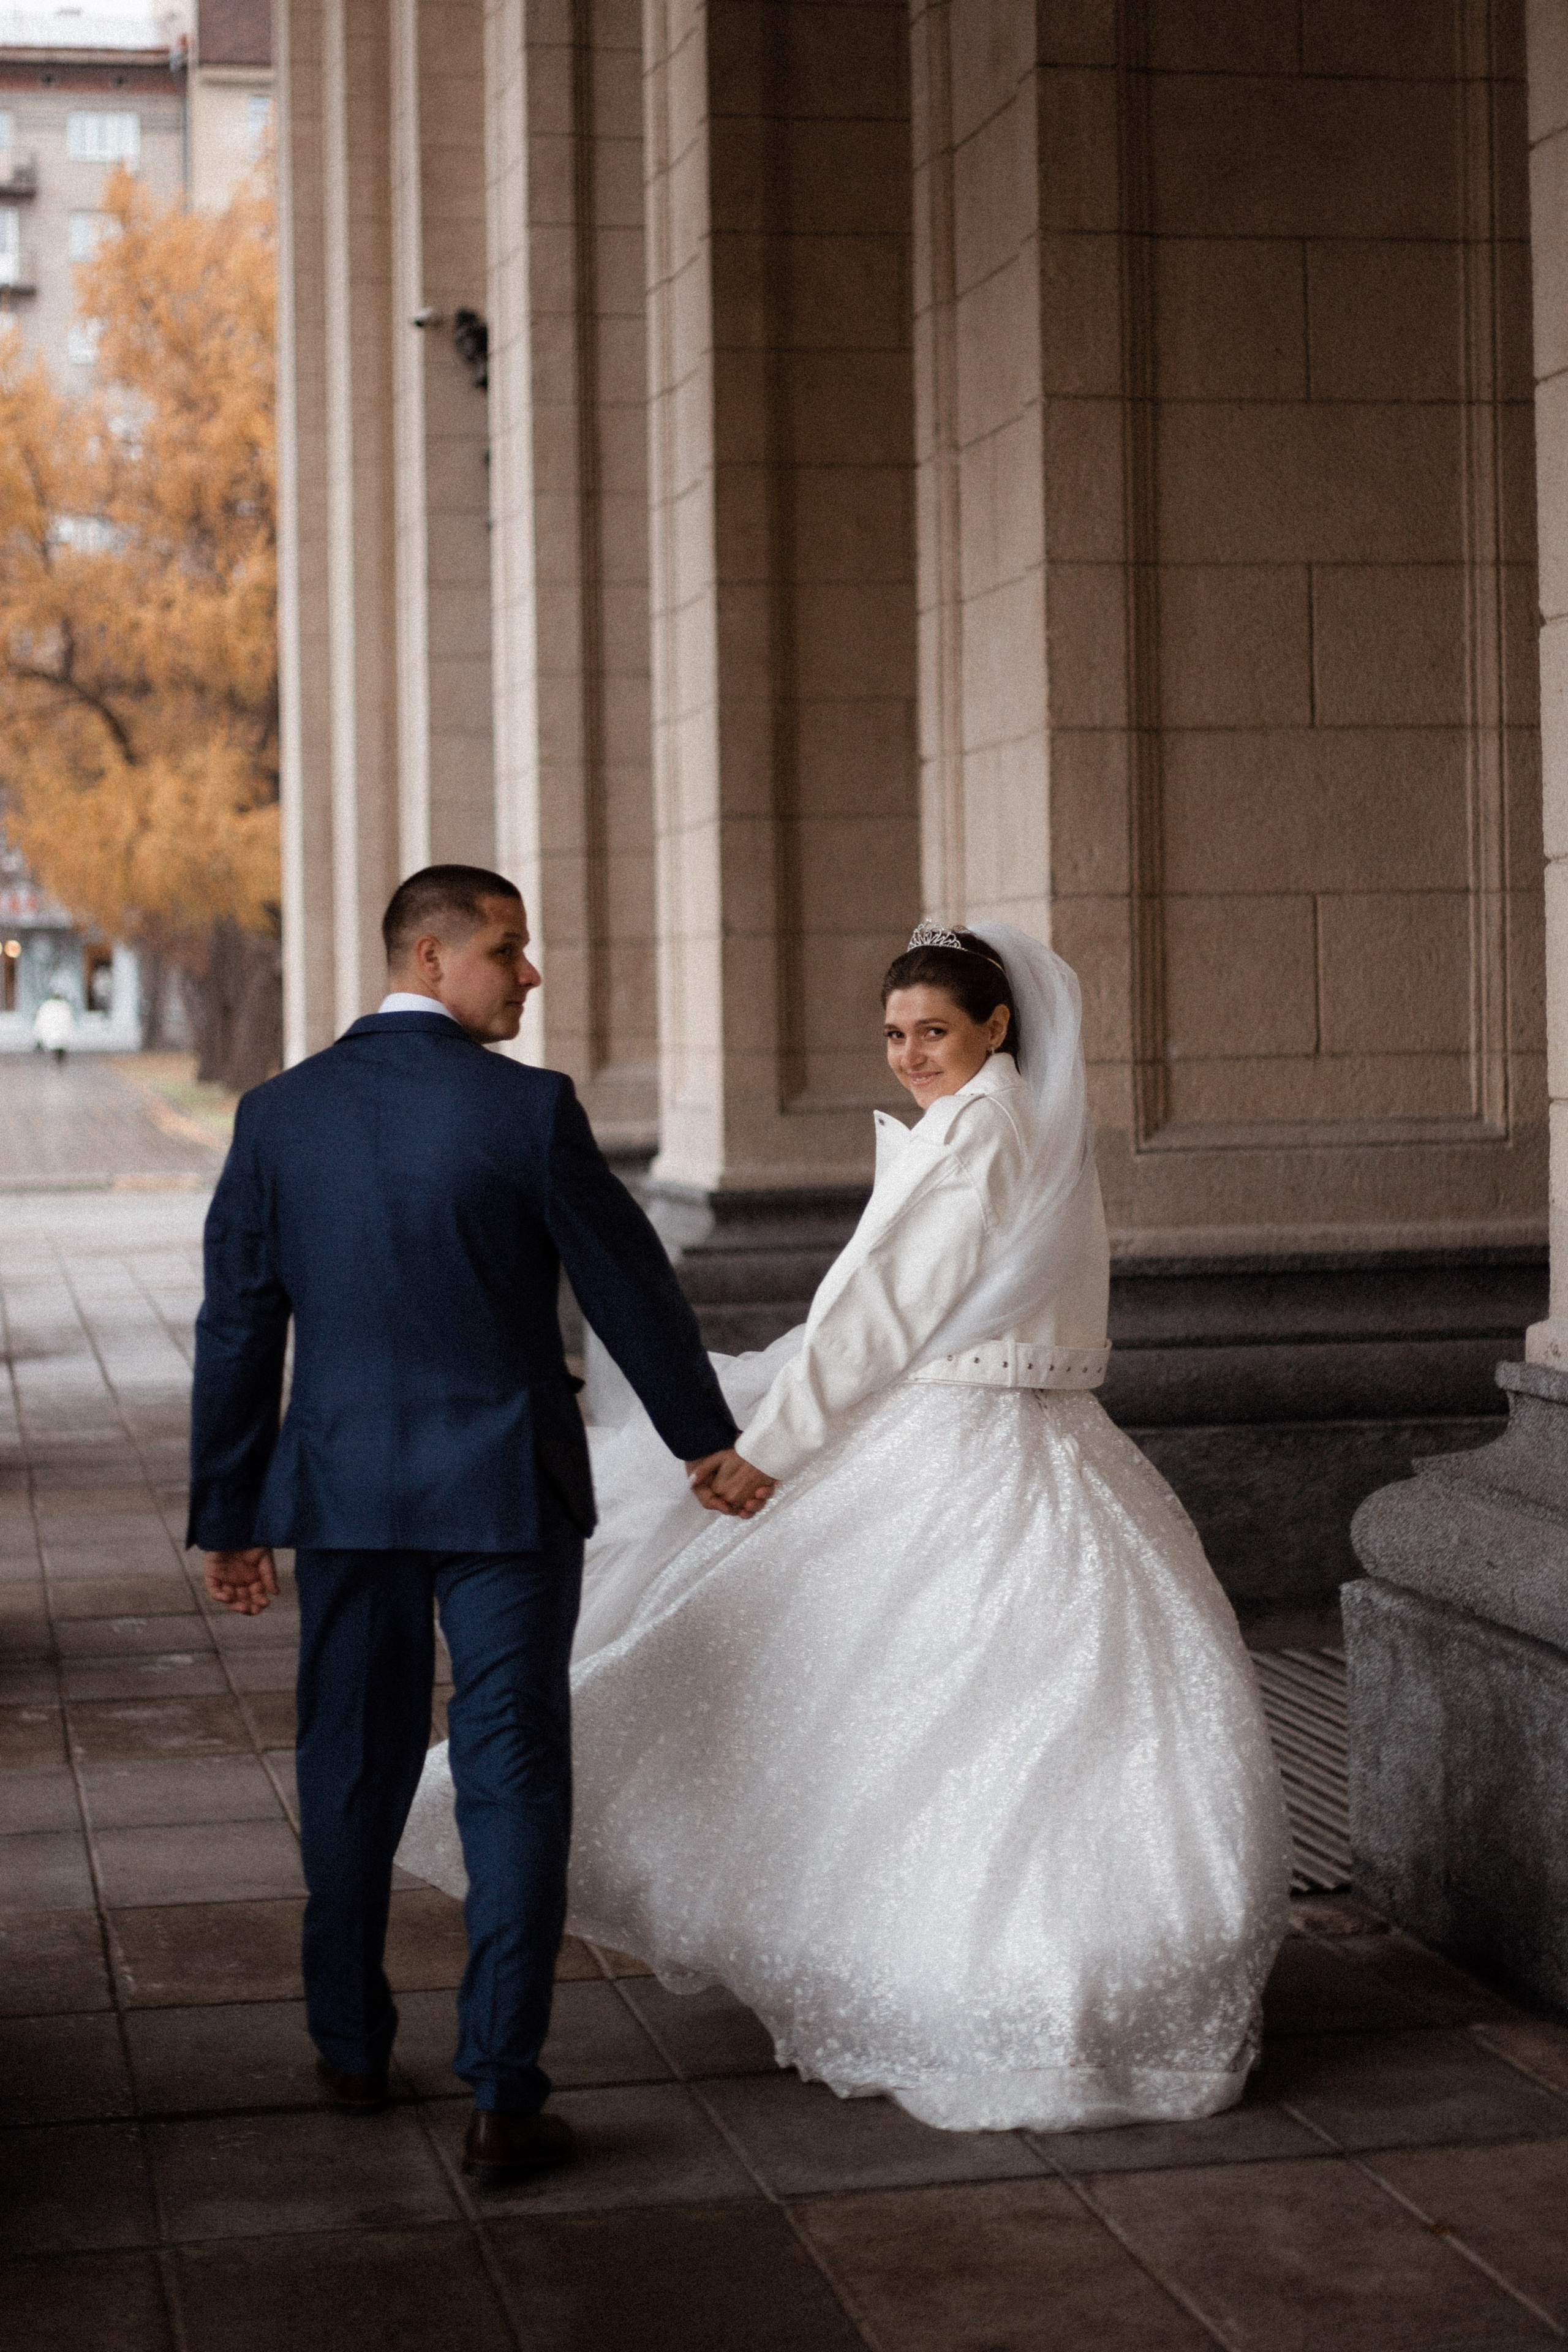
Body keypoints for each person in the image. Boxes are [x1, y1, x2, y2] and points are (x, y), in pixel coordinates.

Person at [401, 920, 1293, 2135]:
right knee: (991, 1705)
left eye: (933, 1030)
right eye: (891, 1035)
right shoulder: (1010, 1123)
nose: (910, 1054)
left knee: (891, 1691)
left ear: (995, 1028)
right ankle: (1047, 1968)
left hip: (969, 1438)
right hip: (1032, 1432)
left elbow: (884, 1310)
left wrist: (771, 1450)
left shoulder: (979, 1134)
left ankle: (986, 1973)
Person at [187, 864, 742, 2182]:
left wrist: (229, 1512)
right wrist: (702, 1442)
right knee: (510, 1777)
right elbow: (631, 1289)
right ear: (428, 957)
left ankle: (350, 2049)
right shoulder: (527, 1112)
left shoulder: (278, 1117)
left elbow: (237, 1326)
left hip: (343, 1492)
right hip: (501, 1496)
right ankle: (503, 2092)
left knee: (348, 1764)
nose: (530, 975)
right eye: (509, 951)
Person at [33, 991, 74, 1063]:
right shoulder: (65, 1006)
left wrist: (39, 1036)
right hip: (60, 1036)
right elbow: (70, 1022)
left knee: (55, 1048)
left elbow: (41, 1022)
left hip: (52, 1036)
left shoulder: (47, 1006)